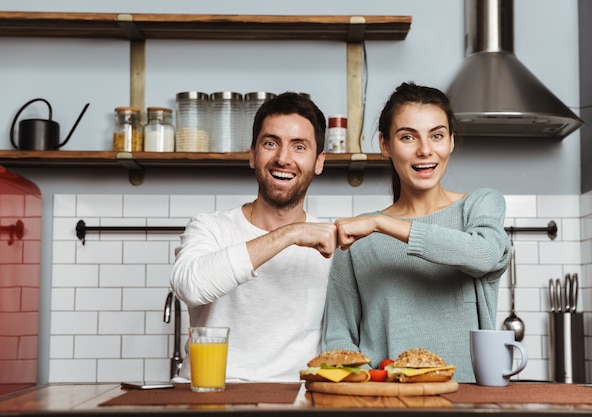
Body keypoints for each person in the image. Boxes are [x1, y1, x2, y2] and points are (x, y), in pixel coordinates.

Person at [321, 82, 511, 383]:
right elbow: (338, 338)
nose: (425, 150)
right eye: (408, 137)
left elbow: (484, 254)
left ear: (451, 142)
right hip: (384, 402)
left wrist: (381, 224)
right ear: (385, 145)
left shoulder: (480, 205)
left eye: (436, 136)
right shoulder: (357, 239)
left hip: (466, 400)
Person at [170, 92, 337, 382]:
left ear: (319, 161)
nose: (283, 158)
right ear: (252, 154)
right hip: (207, 396)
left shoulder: (330, 243)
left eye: (299, 147)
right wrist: (290, 234)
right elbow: (189, 287)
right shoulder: (210, 227)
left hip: (295, 398)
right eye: (270, 143)